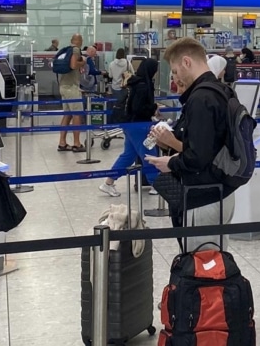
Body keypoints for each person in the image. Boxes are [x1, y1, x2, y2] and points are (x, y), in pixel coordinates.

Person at [144, 38, 237, 251]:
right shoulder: (221, 91)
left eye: (175, 71)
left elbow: (198, 157)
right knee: (214, 263)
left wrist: (170, 163)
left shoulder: (201, 98)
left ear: (187, 62)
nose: (175, 79)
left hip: (203, 197)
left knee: (201, 266)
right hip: (221, 191)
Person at [98, 58, 161, 198]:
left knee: (128, 156)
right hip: (140, 124)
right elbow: (139, 108)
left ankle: (108, 183)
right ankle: (156, 184)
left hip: (130, 124)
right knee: (149, 154)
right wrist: (154, 107)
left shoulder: (135, 82)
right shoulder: (144, 85)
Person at [56, 34, 85, 153]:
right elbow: (73, 65)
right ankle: (77, 144)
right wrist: (82, 62)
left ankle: (62, 143)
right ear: (79, 41)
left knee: (67, 115)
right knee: (77, 115)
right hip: (72, 87)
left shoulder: (66, 50)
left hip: (63, 86)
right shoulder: (76, 50)